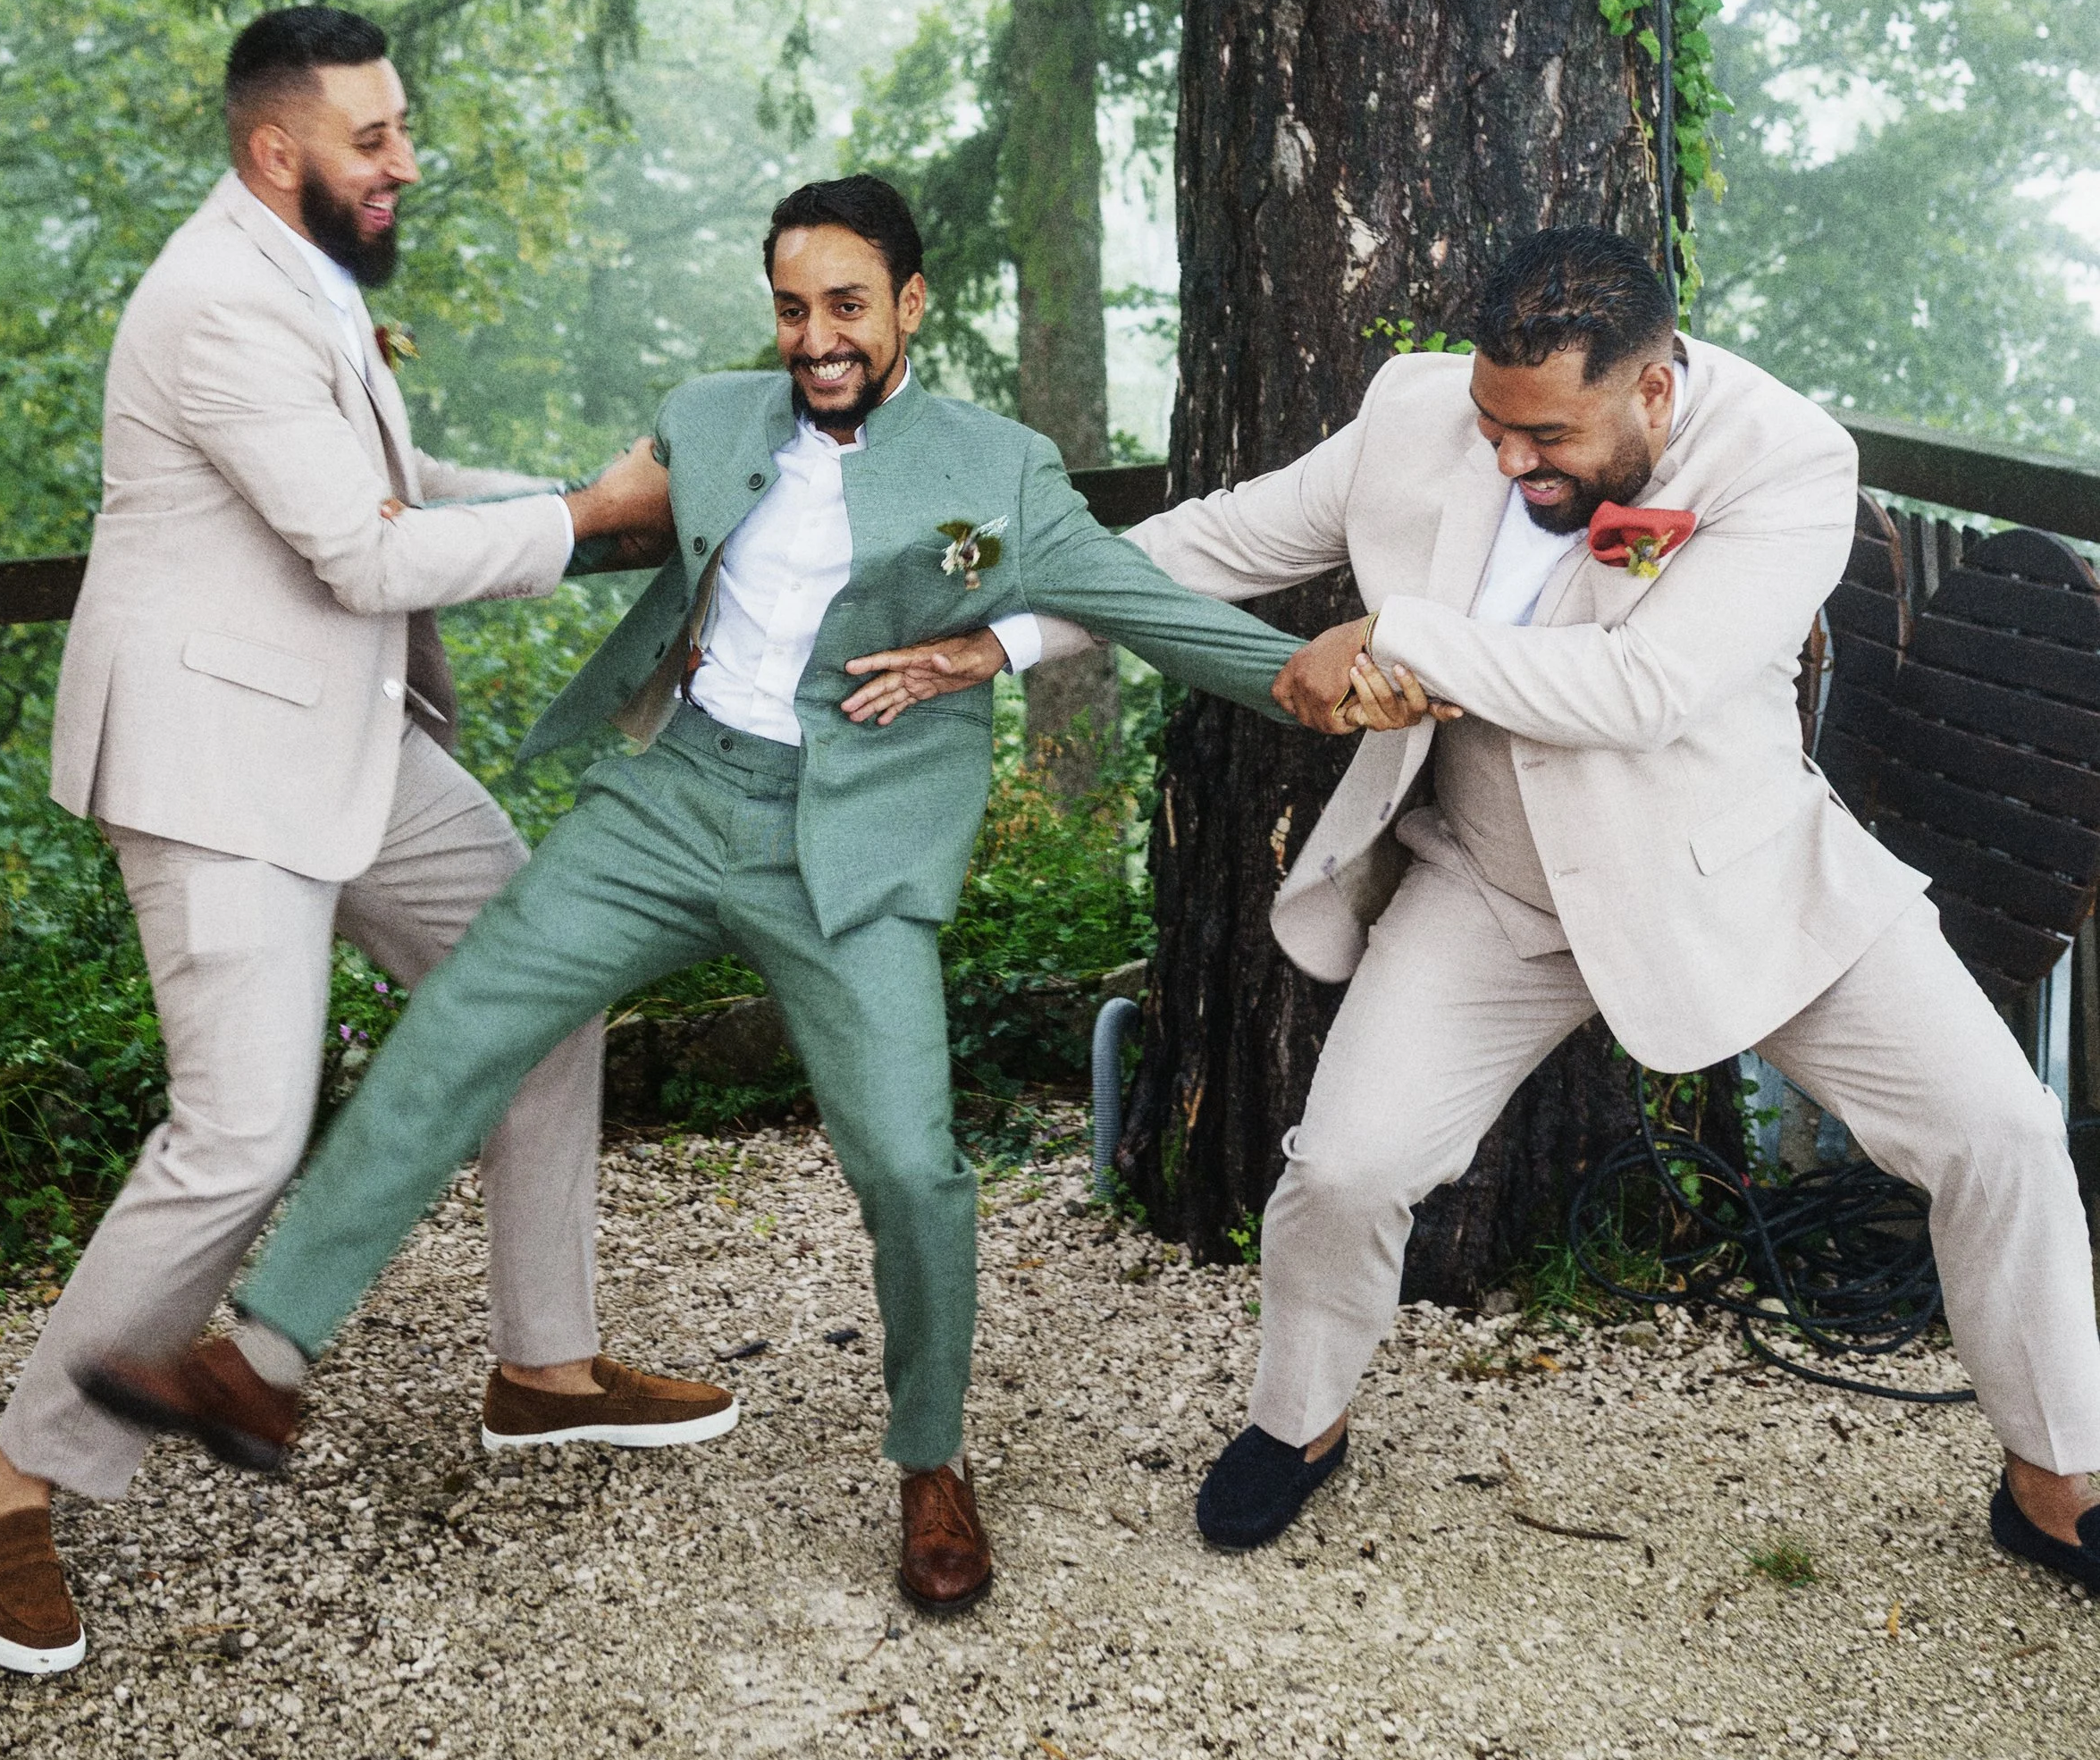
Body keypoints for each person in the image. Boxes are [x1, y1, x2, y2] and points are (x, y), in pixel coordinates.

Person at [84, 173, 1305, 1613]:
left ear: (911, 305)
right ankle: (266, 1360)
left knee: (910, 1165)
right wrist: (380, 511)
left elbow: (1142, 605)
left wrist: (1302, 681)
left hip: (852, 838)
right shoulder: (712, 416)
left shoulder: (1002, 467)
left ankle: (931, 1460)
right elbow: (580, 510)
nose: (817, 338)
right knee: (466, 1018)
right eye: (792, 309)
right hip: (673, 802)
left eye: (847, 306)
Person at [853, 227, 2100, 1581]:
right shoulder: (1416, 411)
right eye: (1492, 425)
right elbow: (1214, 539)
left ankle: (2052, 1480)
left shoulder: (1788, 458)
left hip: (1734, 875)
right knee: (1343, 1172)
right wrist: (1011, 635)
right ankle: (1298, 1425)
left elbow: (1644, 689)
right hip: (1491, 884)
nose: (1508, 459)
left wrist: (1396, 638)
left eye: (1546, 436)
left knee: (2003, 1133)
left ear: (1654, 390)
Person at [0, 8, 732, 1683]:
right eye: (375, 139)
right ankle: (5, 1489)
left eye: (402, 128)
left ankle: (546, 1368)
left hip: (348, 737)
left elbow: (400, 482)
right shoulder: (214, 302)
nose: (405, 162)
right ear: (273, 147)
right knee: (239, 1135)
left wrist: (604, 506)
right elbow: (365, 557)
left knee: (544, 975)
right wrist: (588, 518)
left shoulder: (302, 276)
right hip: (218, 762)